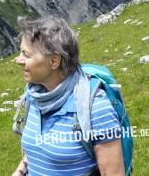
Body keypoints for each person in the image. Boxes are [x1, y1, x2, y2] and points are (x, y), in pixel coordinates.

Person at [12, 16, 125, 176]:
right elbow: (37, 149)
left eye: (26, 54)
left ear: (54, 61)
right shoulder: (35, 97)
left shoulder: (95, 108)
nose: (18, 60)